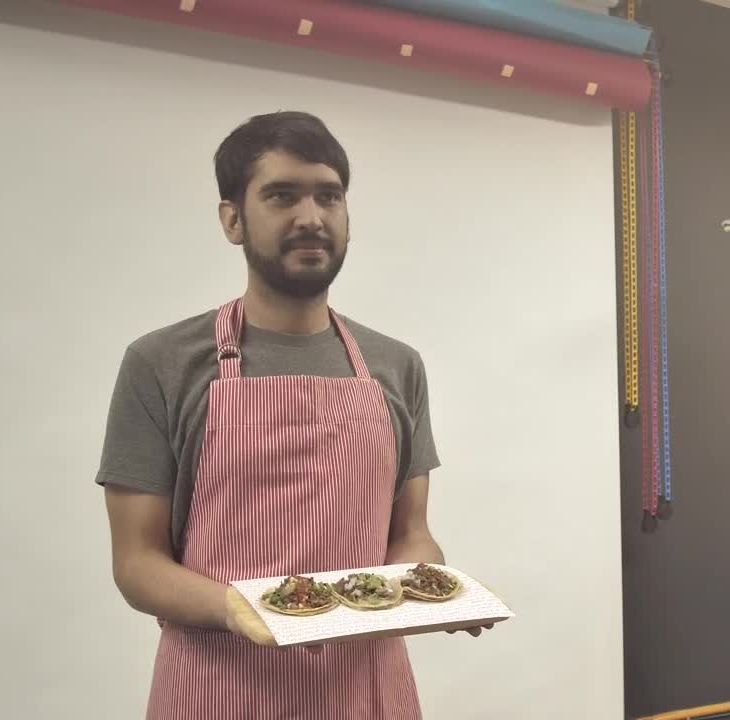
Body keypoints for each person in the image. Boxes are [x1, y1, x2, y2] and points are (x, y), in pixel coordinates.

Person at [94, 110, 484, 719]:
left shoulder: (396, 366)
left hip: (366, 693)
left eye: (329, 196)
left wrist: (430, 589)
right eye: (281, 196)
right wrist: (238, 608)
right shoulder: (161, 363)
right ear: (232, 219)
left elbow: (409, 532)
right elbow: (137, 563)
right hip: (217, 691)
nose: (311, 217)